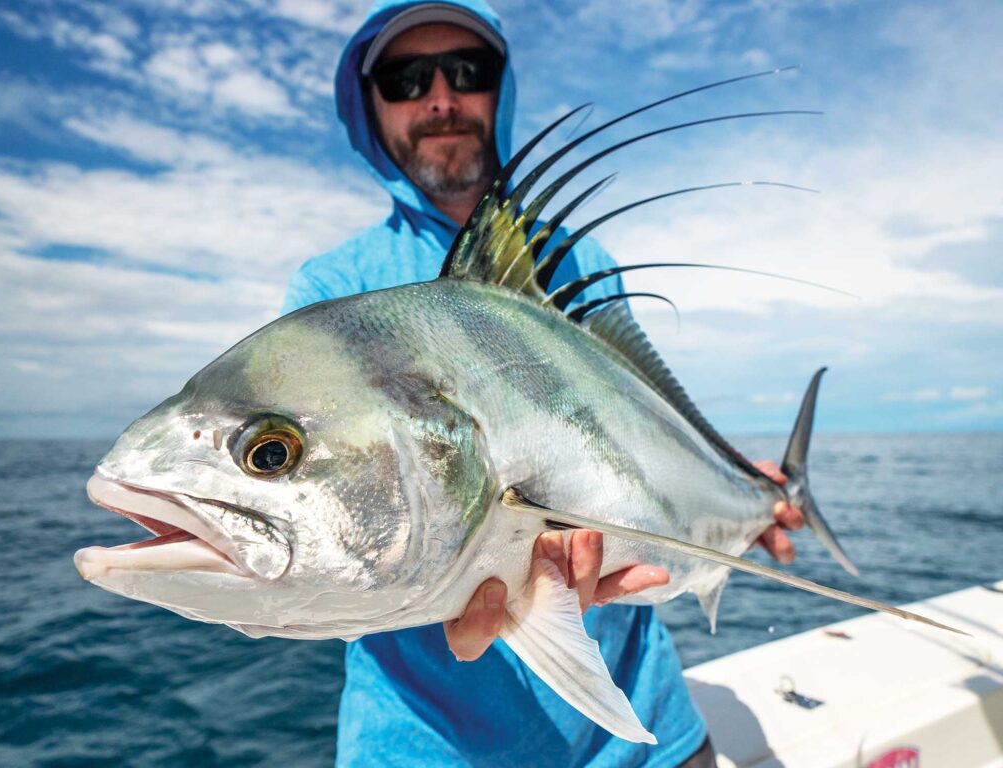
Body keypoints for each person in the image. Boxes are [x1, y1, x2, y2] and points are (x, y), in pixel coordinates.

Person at [282, 2, 803, 765]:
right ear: (369, 106)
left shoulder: (583, 261)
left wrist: (734, 488)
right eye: (403, 78)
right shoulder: (334, 290)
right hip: (423, 741)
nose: (438, 99)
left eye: (468, 71)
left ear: (501, 89)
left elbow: (644, 428)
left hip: (643, 722)